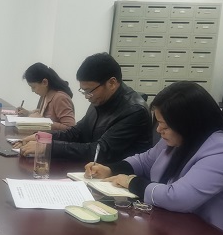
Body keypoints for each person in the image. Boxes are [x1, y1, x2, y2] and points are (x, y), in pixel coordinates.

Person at [85, 81, 223, 235]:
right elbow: (144, 161)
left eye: (165, 126)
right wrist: (110, 169)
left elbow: (178, 198)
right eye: (159, 123)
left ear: (189, 124)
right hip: (177, 228)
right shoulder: (182, 138)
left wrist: (131, 182)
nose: (158, 130)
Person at [18, 52, 151, 161]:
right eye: (84, 91)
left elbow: (100, 150)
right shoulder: (100, 100)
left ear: (111, 83)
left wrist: (48, 147)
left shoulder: (134, 111)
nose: (87, 96)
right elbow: (75, 133)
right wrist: (44, 136)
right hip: (92, 169)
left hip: (116, 177)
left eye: (89, 91)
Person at [16, 62, 76, 131]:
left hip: (54, 137)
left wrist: (42, 121)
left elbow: (70, 128)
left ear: (44, 82)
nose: (32, 90)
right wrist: (28, 113)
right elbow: (45, 113)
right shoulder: (45, 95)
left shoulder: (60, 98)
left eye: (33, 87)